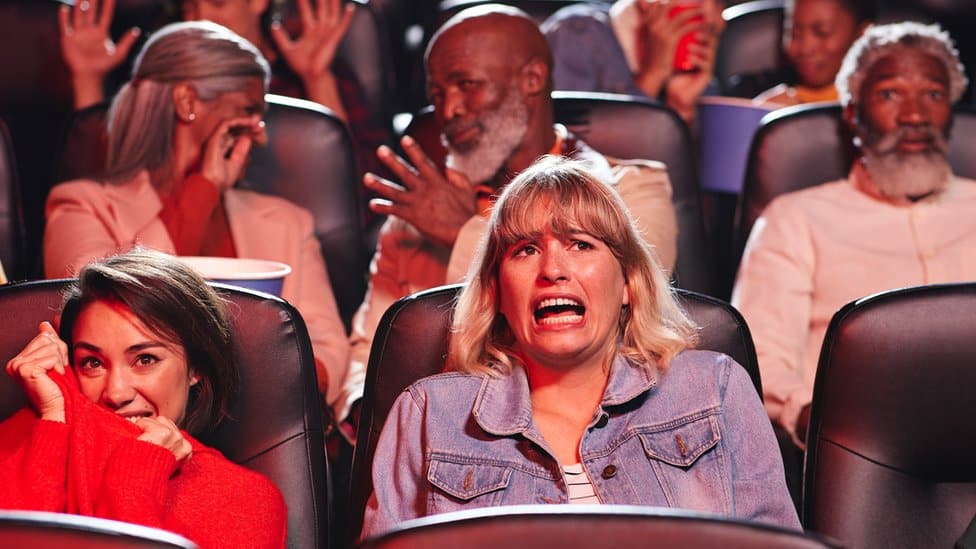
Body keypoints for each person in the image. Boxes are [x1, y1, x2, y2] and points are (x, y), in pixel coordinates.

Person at [360, 157, 798, 538]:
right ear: (495, 292)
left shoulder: (714, 389)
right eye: (526, 250)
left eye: (581, 244)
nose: (552, 269)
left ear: (628, 283)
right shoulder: (426, 415)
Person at [339, 5, 678, 424]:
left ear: (531, 80)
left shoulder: (633, 190)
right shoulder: (417, 212)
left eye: (467, 85)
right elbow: (369, 350)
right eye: (437, 95)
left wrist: (464, 233)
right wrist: (365, 413)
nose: (449, 111)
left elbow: (637, 316)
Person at [44, 21, 349, 414]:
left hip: (270, 426)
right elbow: (112, 326)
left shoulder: (289, 221)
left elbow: (327, 349)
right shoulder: (79, 207)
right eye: (249, 111)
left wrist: (257, 410)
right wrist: (202, 190)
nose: (262, 134)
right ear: (187, 102)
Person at [732, 22, 976, 445]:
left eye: (933, 95)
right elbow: (762, 363)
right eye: (890, 94)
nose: (914, 116)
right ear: (852, 112)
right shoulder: (795, 220)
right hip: (860, 452)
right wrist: (832, 429)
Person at [1, 249, 286, 548]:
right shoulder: (31, 434)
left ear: (196, 367)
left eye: (145, 359)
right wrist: (52, 422)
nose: (116, 393)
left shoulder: (247, 500)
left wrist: (134, 479)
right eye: (93, 363)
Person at [58, 0, 390, 193]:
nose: (202, 17)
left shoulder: (305, 74)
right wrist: (87, 79)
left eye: (216, 2)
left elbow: (361, 200)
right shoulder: (164, 81)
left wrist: (317, 80)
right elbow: (111, 188)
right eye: (190, 7)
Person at [542, 0, 725, 125]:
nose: (715, 20)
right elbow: (572, 162)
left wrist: (680, 108)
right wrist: (652, 76)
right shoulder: (577, 36)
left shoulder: (701, 80)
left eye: (719, 3)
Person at [754, 0, 873, 108]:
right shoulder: (766, 102)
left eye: (823, 32)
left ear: (861, 35)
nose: (805, 49)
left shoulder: (873, 108)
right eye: (795, 34)